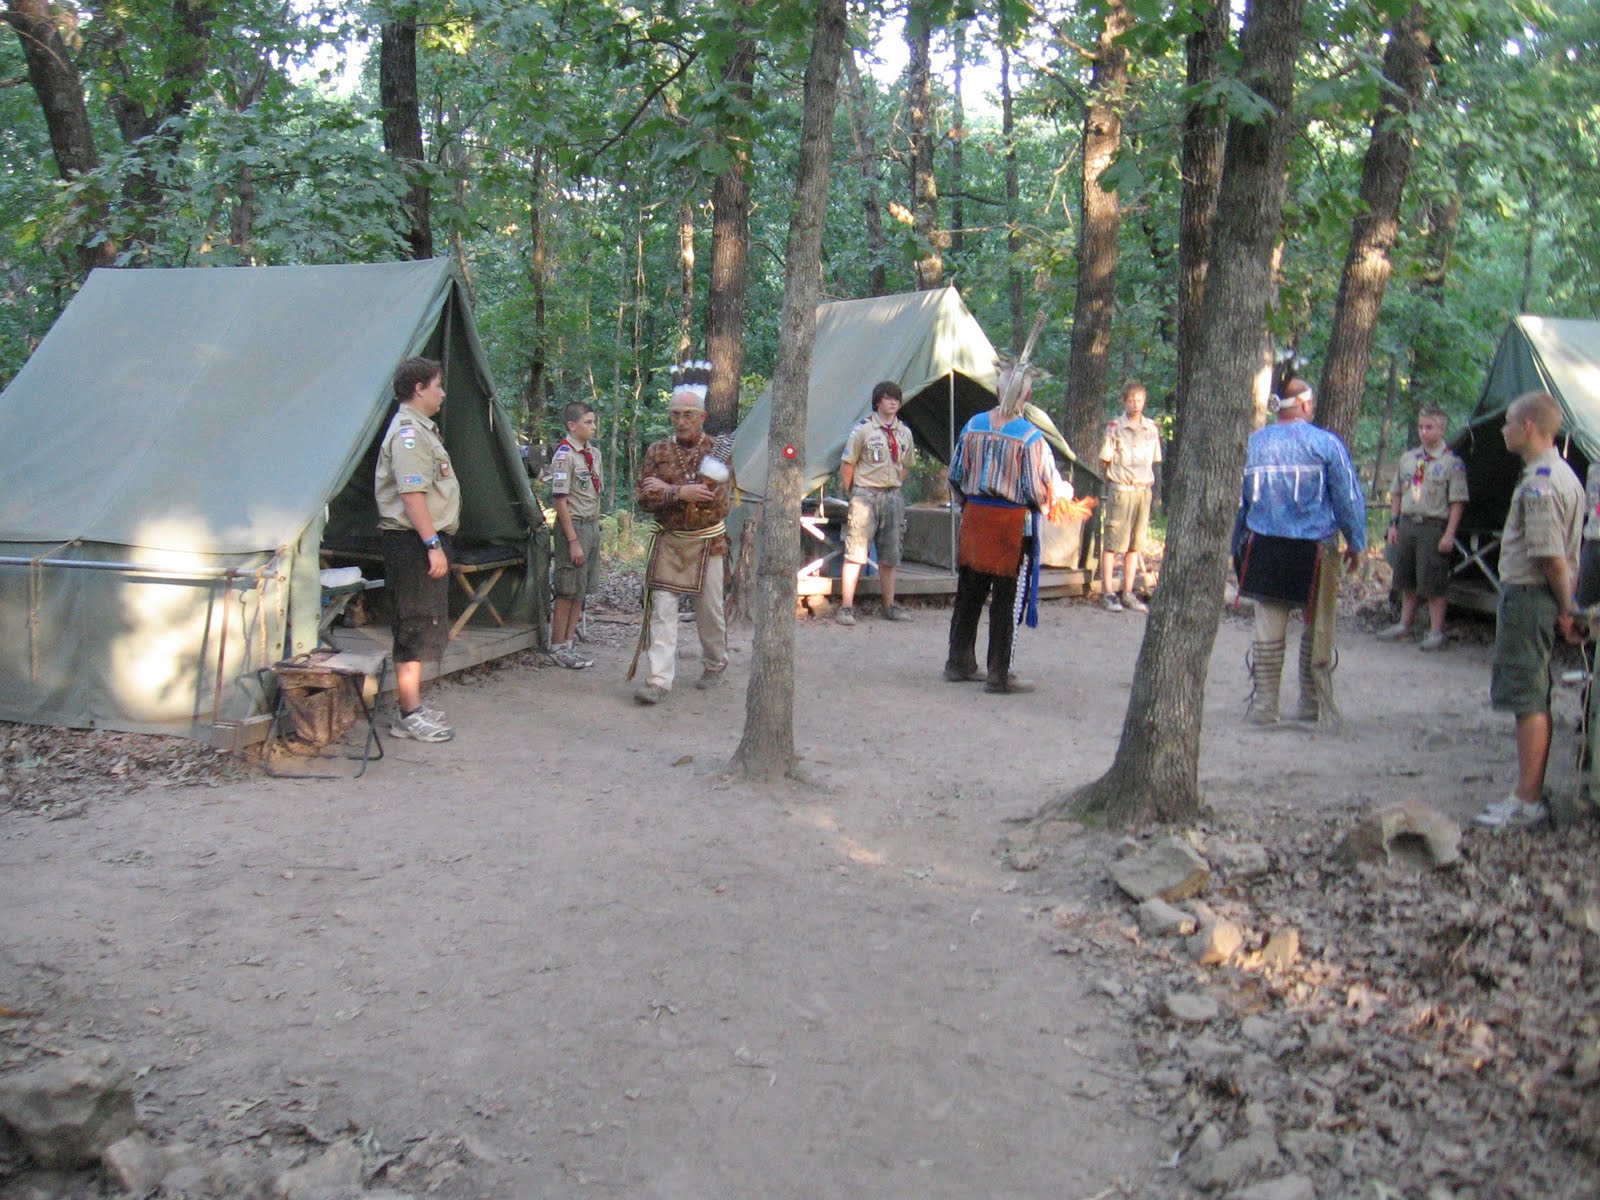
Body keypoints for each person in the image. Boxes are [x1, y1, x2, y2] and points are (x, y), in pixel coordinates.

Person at [1472, 391, 1584, 831]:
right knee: (1530, 694)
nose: (1503, 430)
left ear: (1529, 428)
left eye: (1508, 423)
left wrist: (1567, 608)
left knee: (1527, 696)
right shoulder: (1564, 474)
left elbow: (1551, 558)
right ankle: (1526, 793)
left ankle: (1528, 800)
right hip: (1538, 596)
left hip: (1531, 596)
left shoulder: (1541, 483)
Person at [1231, 378, 1366, 726]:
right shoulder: (1325, 444)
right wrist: (1356, 542)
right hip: (1314, 550)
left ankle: (1265, 707)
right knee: (1316, 630)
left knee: (1268, 630)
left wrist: (1236, 549)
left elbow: (1240, 505)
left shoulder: (1252, 445)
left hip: (1264, 547)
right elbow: (1347, 497)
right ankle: (1312, 704)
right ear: (1305, 406)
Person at [944, 362, 1077, 694]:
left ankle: (959, 661)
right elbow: (1038, 487)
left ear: (998, 390)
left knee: (969, 593)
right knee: (1005, 599)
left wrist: (971, 502)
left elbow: (955, 475)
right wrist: (1056, 496)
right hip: (1010, 525)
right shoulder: (1030, 438)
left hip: (976, 519)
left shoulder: (973, 426)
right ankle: (999, 673)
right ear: (1027, 395)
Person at [629, 360, 734, 705]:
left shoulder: (718, 451)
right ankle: (658, 679)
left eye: (688, 414)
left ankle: (715, 663)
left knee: (710, 610)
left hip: (709, 543)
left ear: (702, 416)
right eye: (675, 415)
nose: (681, 421)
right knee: (662, 608)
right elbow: (645, 497)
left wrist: (668, 489)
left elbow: (715, 504)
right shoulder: (657, 450)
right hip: (670, 542)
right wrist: (679, 493)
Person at [375, 356, 459, 742]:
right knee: (413, 624)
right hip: (412, 541)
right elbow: (412, 494)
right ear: (418, 388)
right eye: (438, 385)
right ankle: (408, 715)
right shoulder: (408, 433)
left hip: (422, 540)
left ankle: (415, 705)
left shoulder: (425, 430)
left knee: (424, 622)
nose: (442, 393)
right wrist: (432, 544)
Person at [1377, 406, 1468, 651]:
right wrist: (1393, 524)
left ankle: (1436, 631)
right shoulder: (1409, 459)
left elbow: (1457, 501)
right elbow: (1396, 493)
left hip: (1433, 525)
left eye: (1429, 427)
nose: (1424, 432)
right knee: (1406, 577)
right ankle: (1403, 625)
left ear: (1442, 429)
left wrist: (1449, 533)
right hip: (1408, 522)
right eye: (1421, 427)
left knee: (1433, 580)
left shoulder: (1451, 463)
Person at [836, 381, 916, 625]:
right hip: (865, 495)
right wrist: (856, 492)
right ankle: (846, 607)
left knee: (890, 553)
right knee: (855, 552)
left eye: (896, 399)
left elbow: (906, 466)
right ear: (878, 401)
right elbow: (847, 465)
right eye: (888, 398)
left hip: (892, 496)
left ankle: (889, 605)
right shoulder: (863, 430)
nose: (893, 402)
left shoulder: (904, 433)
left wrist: (892, 485)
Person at [1097, 380, 1162, 614]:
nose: (1136, 404)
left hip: (1142, 490)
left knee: (1136, 543)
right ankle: (1108, 592)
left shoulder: (1151, 429)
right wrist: (1114, 482)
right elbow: (1105, 460)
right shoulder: (1115, 428)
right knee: (1113, 541)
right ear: (1124, 401)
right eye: (1131, 400)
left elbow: (1154, 462)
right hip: (1121, 490)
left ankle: (1128, 592)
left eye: (1140, 400)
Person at [546, 402, 603, 670]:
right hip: (574, 526)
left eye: (594, 422)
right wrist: (572, 540)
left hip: (591, 525)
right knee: (567, 587)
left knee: (581, 587)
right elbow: (561, 501)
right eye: (588, 422)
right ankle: (557, 645)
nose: (593, 427)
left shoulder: (593, 454)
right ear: (572, 426)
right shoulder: (564, 455)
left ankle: (569, 643)